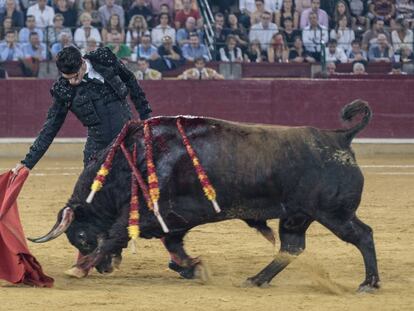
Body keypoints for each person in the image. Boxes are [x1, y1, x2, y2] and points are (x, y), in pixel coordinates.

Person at [12, 45, 151, 278]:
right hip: (98, 150)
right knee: (90, 203)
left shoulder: (104, 60)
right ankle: (84, 259)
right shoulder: (63, 90)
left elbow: (133, 84)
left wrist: (147, 119)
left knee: (150, 191)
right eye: (67, 78)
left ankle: (176, 255)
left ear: (83, 64)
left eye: (75, 76)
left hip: (130, 140)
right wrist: (28, 162)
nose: (72, 82)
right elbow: (50, 128)